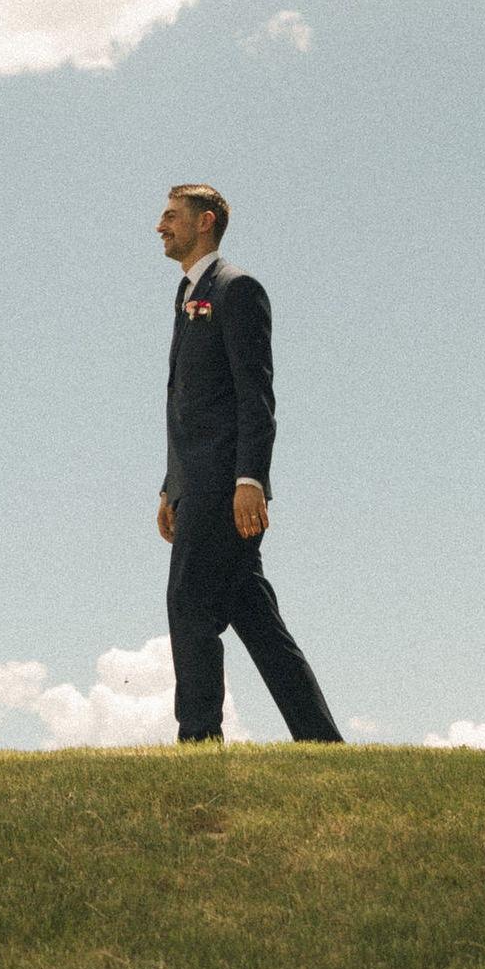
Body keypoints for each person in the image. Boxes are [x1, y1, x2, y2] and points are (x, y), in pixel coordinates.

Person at [156, 184, 342, 745]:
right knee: (255, 618)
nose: (161, 226)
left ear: (205, 222)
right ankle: (321, 741)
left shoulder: (237, 290)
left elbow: (254, 395)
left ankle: (198, 739)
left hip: (224, 485)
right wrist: (170, 487)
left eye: (172, 216)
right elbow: (186, 404)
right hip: (195, 485)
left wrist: (250, 479)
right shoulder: (186, 295)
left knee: (188, 602)